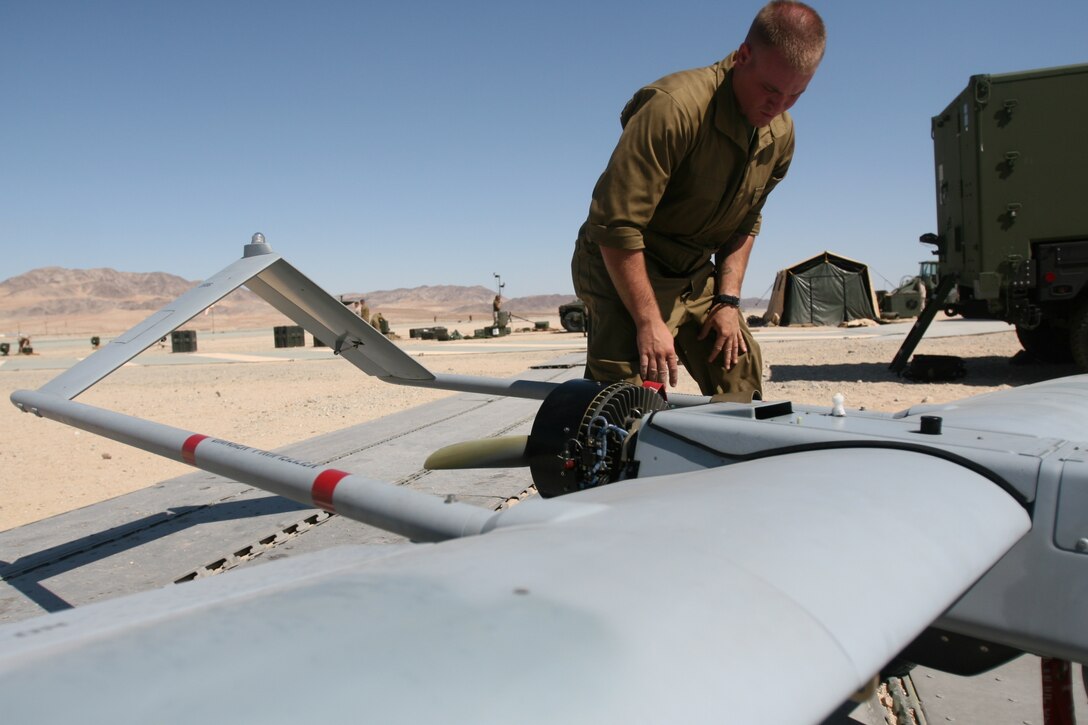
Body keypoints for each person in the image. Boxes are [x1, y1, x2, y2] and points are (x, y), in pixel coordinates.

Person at [571, 1, 825, 399]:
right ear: (743, 56)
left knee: (740, 375)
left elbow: (746, 222)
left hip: (693, 271)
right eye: (770, 89)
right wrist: (648, 321)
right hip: (625, 264)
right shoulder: (674, 107)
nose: (778, 107)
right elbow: (616, 226)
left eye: (795, 95)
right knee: (626, 400)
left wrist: (727, 301)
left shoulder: (780, 135)